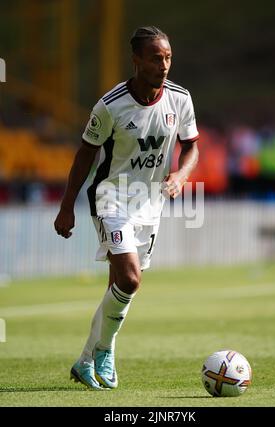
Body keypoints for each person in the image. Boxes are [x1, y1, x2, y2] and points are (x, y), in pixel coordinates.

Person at [54, 26, 199, 390]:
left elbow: (191, 146)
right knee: (130, 280)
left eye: (167, 57)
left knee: (118, 286)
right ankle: (105, 349)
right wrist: (67, 206)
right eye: (155, 57)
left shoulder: (180, 99)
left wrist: (181, 175)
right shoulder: (110, 105)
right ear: (136, 60)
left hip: (150, 204)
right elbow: (85, 153)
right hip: (111, 199)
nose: (163, 64)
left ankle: (86, 360)